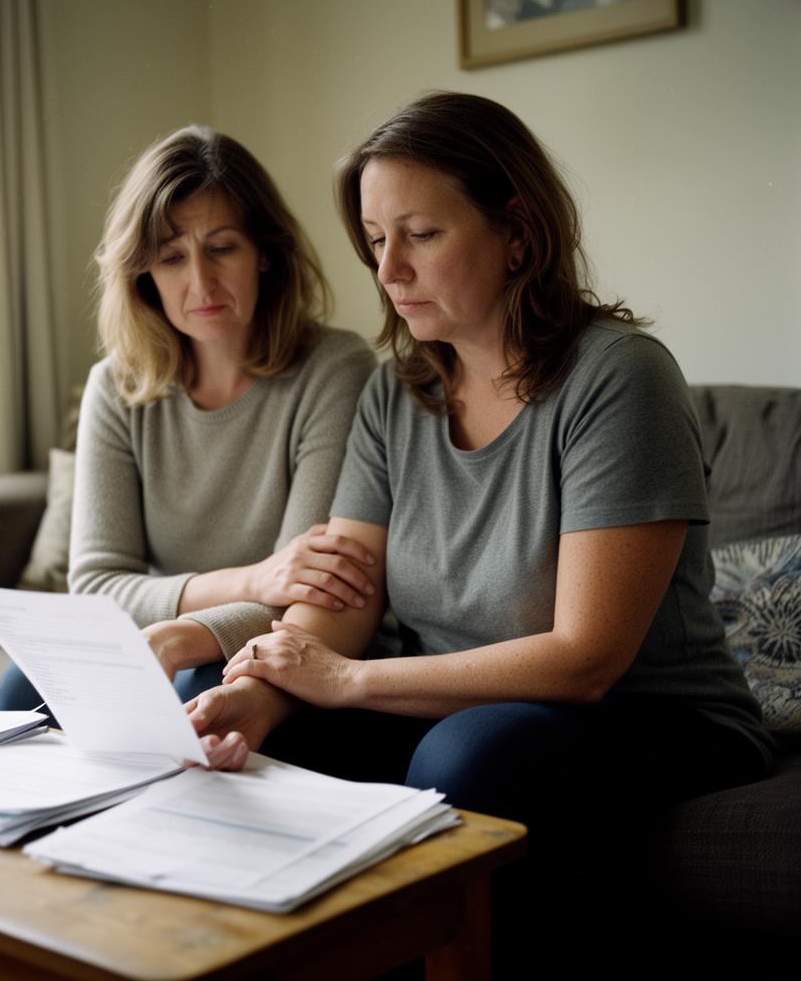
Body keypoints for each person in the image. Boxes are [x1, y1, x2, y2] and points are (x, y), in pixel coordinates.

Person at [184, 93, 774, 972]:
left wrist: (345, 679)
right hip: (451, 701)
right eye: (376, 241)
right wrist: (265, 692)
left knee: (469, 753)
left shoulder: (619, 379)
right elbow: (341, 599)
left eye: (419, 234)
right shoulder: (395, 393)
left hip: (651, 714)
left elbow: (585, 659)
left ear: (518, 235)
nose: (388, 272)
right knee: (214, 697)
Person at [0, 125, 377, 718]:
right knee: (26, 684)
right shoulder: (116, 388)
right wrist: (252, 579)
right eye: (172, 257)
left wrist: (186, 628)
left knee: (195, 686)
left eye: (222, 247)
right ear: (143, 274)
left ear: (266, 252)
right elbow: (94, 588)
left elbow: (309, 592)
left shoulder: (333, 370)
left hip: (279, 652)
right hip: (187, 629)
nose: (201, 282)